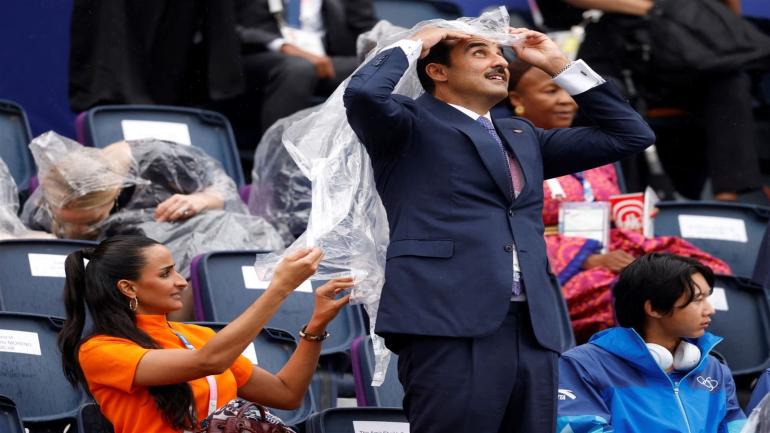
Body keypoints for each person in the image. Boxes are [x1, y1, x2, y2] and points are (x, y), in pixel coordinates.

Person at [343, 22, 656, 433]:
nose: (499, 62)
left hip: (533, 325)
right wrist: (416, 42)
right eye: (480, 52)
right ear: (437, 71)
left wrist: (559, 65)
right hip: (447, 319)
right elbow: (364, 94)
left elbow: (631, 134)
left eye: (499, 53)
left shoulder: (521, 134)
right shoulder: (407, 123)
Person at [502, 58, 732, 342]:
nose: (565, 101)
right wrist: (587, 258)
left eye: (568, 91)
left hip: (614, 249)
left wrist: (630, 220)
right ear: (517, 99)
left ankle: (693, 360)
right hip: (554, 269)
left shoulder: (594, 149)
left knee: (692, 270)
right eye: (551, 91)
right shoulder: (506, 155)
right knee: (634, 293)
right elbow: (508, 228)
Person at [59, 235, 352, 433]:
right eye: (165, 274)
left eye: (176, 271)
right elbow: (208, 362)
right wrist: (279, 289)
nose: (181, 282)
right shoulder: (99, 350)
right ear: (128, 288)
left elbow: (286, 393)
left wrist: (316, 326)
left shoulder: (197, 335)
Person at [552, 0, 768, 201]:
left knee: (730, 79)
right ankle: (622, 197)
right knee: (611, 95)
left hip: (686, 48)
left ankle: (729, 199)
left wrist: (717, 31)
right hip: (625, 50)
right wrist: (648, 8)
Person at [21, 132, 283, 276]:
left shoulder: (158, 159)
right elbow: (29, 237)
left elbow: (224, 189)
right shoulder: (60, 186)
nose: (76, 230)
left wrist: (200, 200)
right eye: (64, 221)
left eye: (90, 222)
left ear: (114, 192)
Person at [556, 253, 746, 433]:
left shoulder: (714, 369)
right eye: (697, 299)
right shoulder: (582, 366)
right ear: (654, 308)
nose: (710, 310)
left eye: (707, 298)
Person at [234, 0, 376, 133]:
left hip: (327, 58)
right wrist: (282, 45)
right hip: (264, 54)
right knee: (299, 69)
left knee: (379, 66)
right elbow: (228, 26)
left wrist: (380, 44)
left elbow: (366, 26)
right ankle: (279, 148)